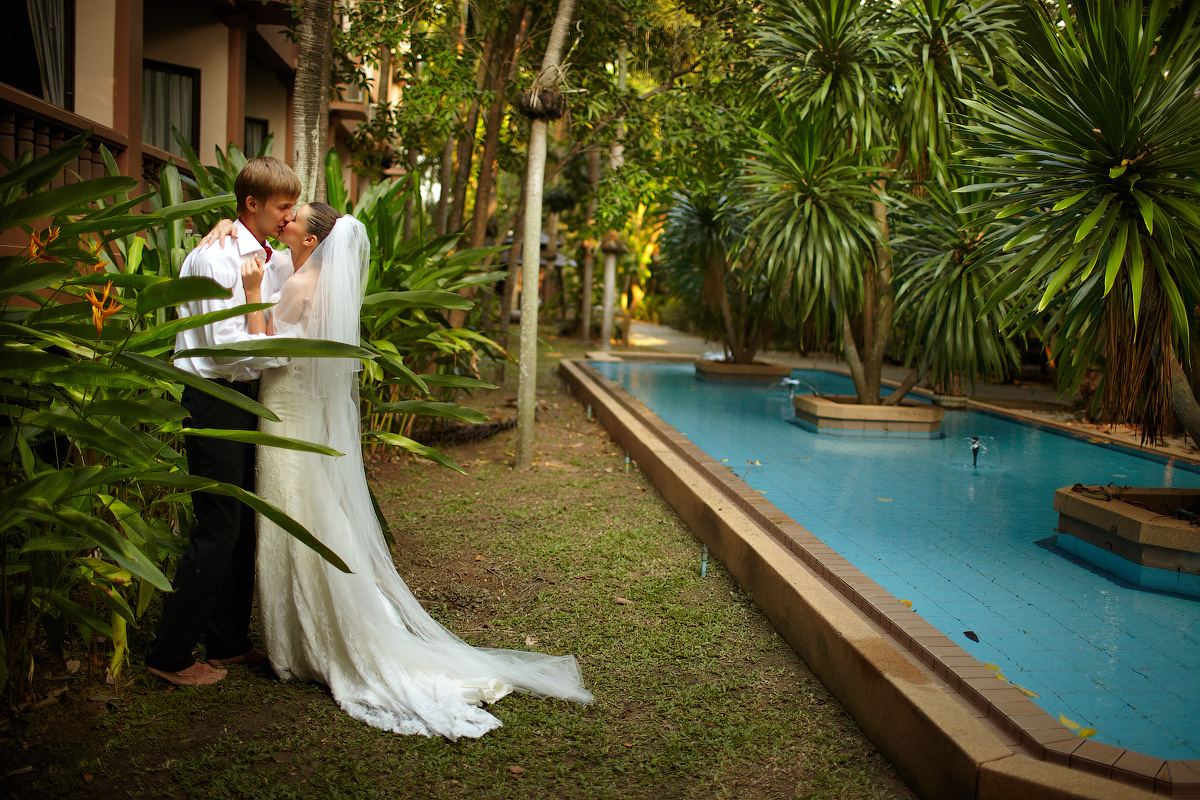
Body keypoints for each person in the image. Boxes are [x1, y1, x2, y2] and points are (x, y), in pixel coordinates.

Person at [240, 203, 592, 738]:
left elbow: (267, 345)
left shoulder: (301, 284)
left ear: (310, 241)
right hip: (303, 410)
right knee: (309, 515)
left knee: (293, 514)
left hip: (286, 406)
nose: (284, 219)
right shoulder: (311, 277)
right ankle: (308, 636)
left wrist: (248, 297)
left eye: (294, 218)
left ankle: (305, 643)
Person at [144, 157, 300, 686]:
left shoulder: (263, 253)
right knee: (219, 523)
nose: (289, 216)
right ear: (251, 204)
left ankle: (228, 641)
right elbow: (224, 344)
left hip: (243, 395)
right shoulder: (214, 258)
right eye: (282, 207)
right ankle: (169, 654)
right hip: (211, 396)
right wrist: (279, 351)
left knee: (243, 519)